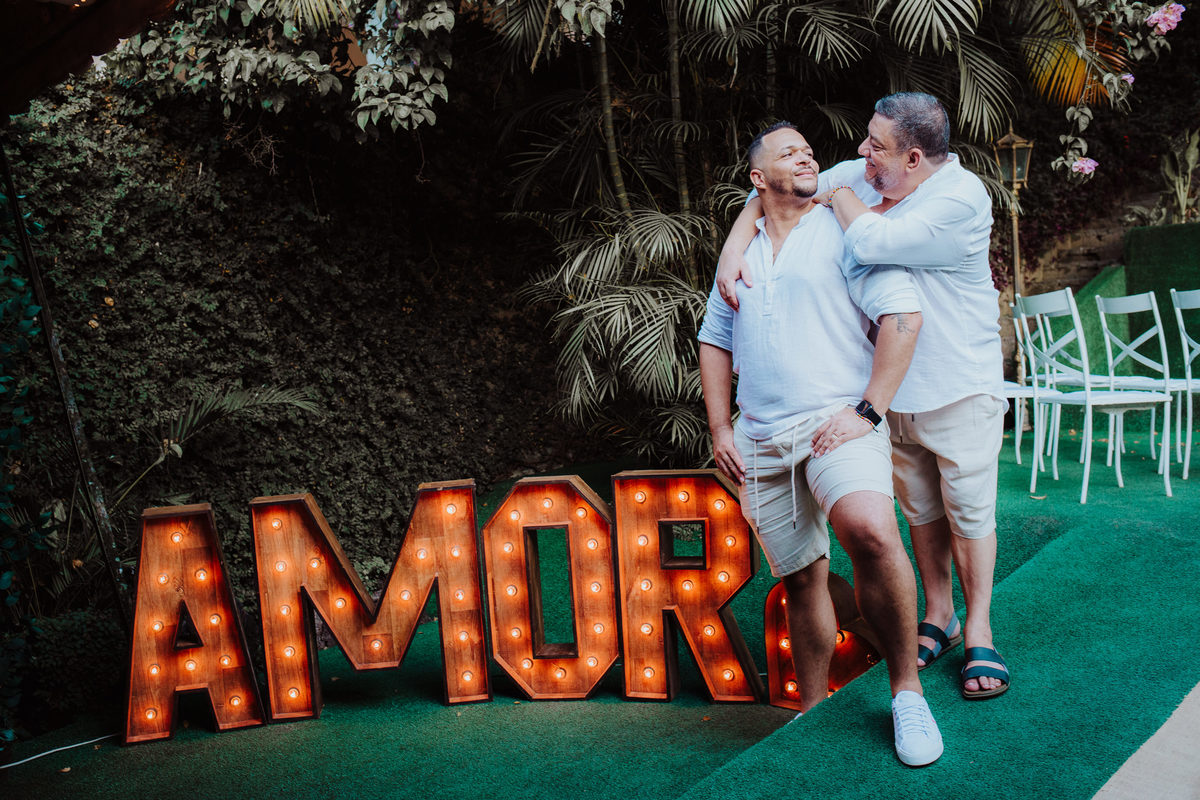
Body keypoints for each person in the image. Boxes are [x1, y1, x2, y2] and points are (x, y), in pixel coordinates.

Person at [715, 92, 1010, 700]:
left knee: (970, 510)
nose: (859, 152)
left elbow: (869, 243)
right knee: (921, 510)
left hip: (957, 381)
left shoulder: (960, 197)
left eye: (875, 145)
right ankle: (939, 614)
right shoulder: (868, 171)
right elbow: (773, 189)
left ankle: (978, 627)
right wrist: (735, 246)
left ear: (913, 158)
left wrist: (842, 198)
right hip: (886, 388)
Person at [698, 121, 944, 767]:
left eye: (809, 149)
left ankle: (907, 693)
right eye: (788, 151)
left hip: (837, 420)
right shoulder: (742, 249)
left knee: (869, 530)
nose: (806, 154)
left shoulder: (844, 228)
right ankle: (810, 712)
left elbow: (901, 314)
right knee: (802, 578)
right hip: (759, 436)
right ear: (758, 179)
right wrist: (722, 428)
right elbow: (714, 338)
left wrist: (869, 408)